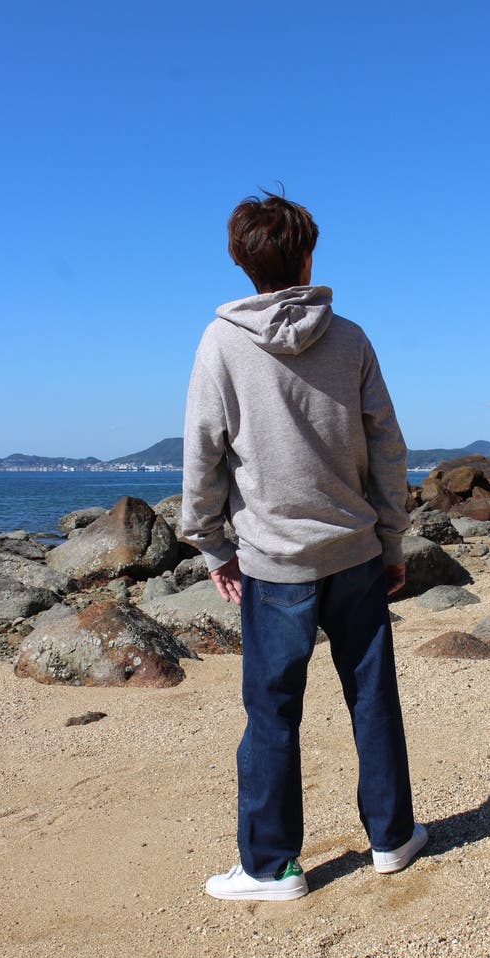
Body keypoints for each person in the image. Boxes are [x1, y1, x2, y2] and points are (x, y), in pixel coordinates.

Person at [182, 191, 427, 901]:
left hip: (274, 564)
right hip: (354, 553)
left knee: (272, 711)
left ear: (241, 262)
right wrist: (392, 537)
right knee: (372, 698)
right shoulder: (349, 338)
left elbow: (203, 454)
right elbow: (388, 445)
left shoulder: (221, 342)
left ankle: (271, 867)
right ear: (309, 258)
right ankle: (391, 838)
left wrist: (211, 545)